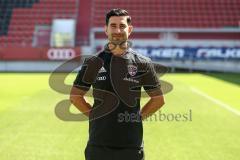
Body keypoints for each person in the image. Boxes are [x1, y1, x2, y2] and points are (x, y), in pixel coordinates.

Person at [70, 8, 165, 160]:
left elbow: (158, 99)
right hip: (98, 145)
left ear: (130, 29)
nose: (118, 30)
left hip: (131, 146)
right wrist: (95, 115)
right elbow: (75, 96)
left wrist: (136, 118)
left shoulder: (142, 63)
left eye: (122, 26)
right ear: (106, 29)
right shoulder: (93, 62)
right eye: (113, 26)